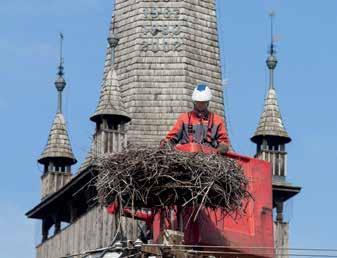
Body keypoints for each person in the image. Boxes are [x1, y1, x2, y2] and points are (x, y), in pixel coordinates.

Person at [160, 83, 230, 154]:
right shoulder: (184, 118)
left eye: (203, 103)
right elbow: (171, 138)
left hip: (210, 157)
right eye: (198, 102)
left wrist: (222, 148)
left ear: (207, 102)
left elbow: (224, 142)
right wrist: (166, 143)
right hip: (186, 155)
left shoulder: (217, 120)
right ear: (194, 102)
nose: (200, 105)